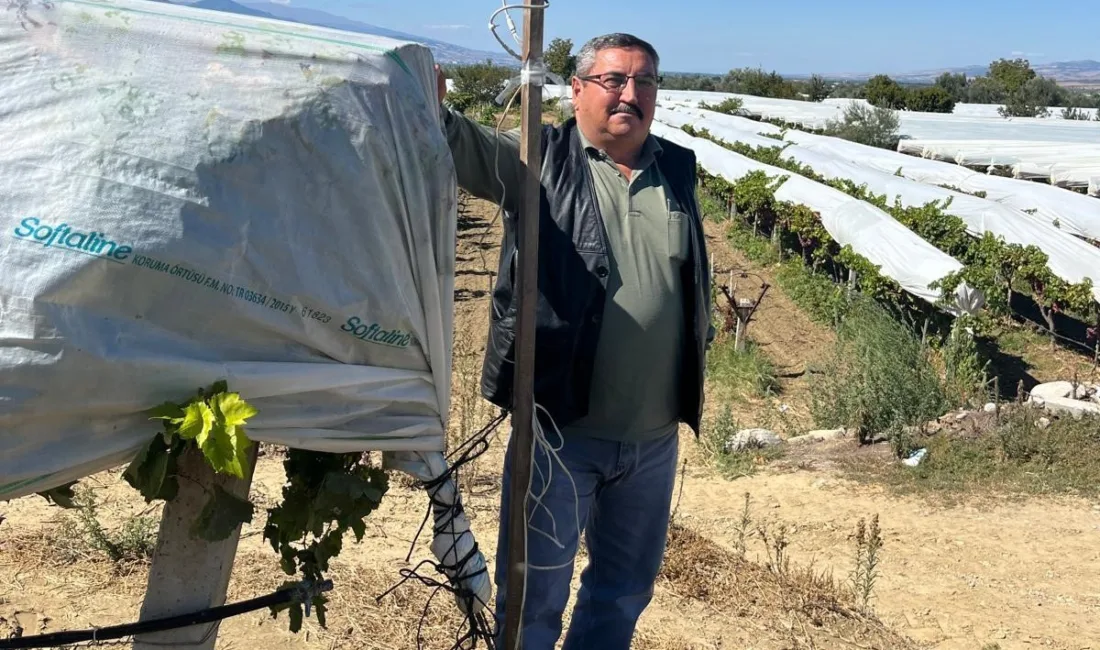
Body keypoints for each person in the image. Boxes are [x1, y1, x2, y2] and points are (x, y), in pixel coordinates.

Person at [436, 32, 713, 650]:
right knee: (533, 597)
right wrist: (430, 107)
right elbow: (462, 147)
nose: (630, 95)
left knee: (623, 590)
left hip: (652, 440)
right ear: (579, 90)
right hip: (561, 433)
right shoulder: (539, 159)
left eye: (644, 82)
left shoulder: (675, 169)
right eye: (615, 80)